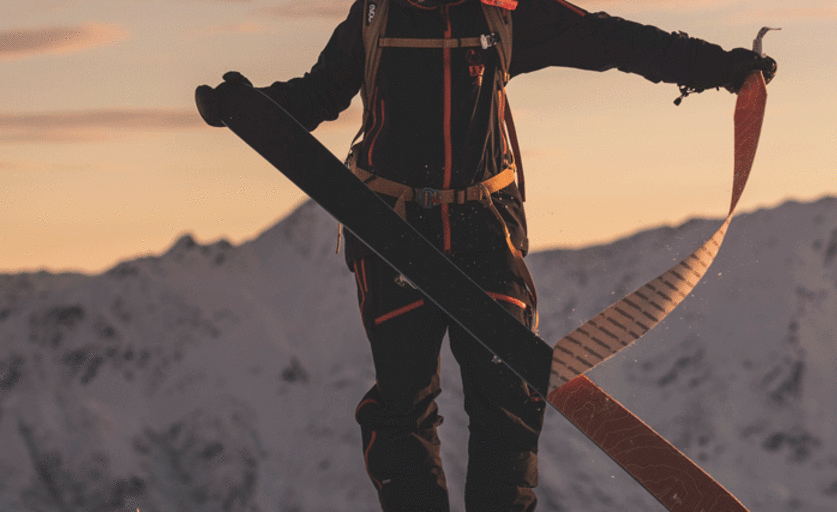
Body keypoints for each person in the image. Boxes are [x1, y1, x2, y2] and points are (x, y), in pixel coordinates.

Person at [194, 1, 776, 511]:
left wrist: (723, 67)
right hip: (389, 228)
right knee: (405, 405)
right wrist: (250, 109)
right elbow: (317, 95)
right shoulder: (374, 16)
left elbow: (613, 40)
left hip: (481, 230)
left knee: (506, 401)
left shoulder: (504, 13)